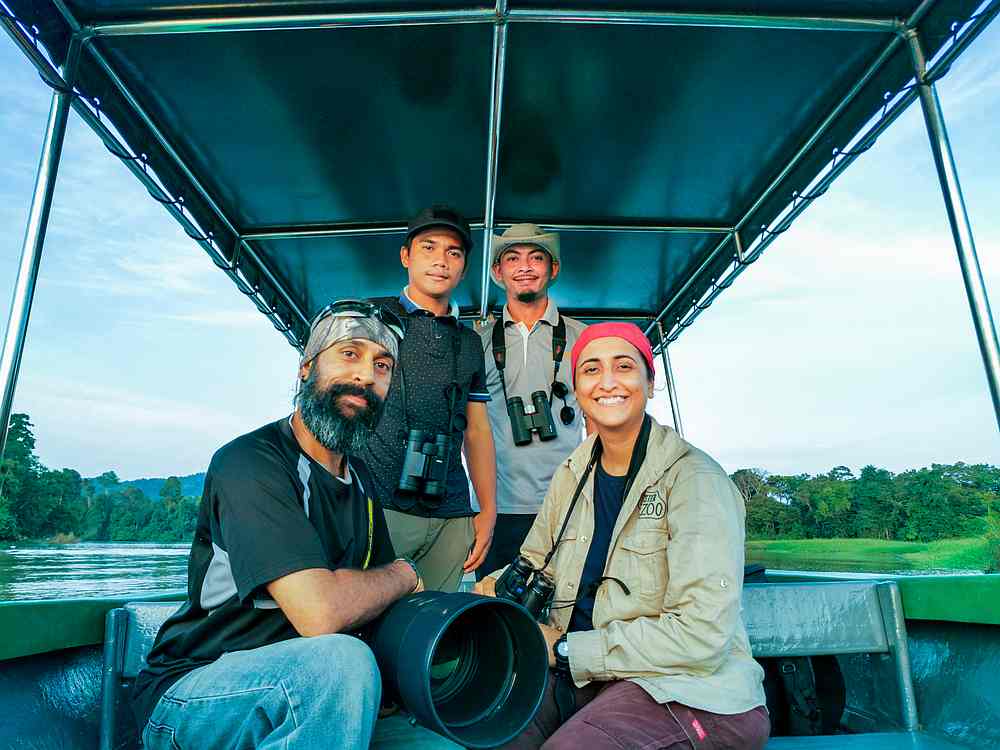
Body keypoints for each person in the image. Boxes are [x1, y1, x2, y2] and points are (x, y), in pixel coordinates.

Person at [131, 300, 458, 750]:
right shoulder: (250, 463)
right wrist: (405, 573)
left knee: (445, 744)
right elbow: (321, 614)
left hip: (314, 690)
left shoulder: (362, 482)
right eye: (349, 354)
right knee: (339, 661)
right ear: (306, 368)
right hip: (194, 691)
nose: (365, 375)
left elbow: (381, 604)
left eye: (382, 365)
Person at [477, 322, 769, 749]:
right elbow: (534, 561)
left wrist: (562, 649)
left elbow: (701, 633)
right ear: (577, 392)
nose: (608, 382)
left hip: (689, 689)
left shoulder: (696, 480)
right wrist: (484, 595)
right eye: (591, 369)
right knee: (486, 731)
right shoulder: (572, 474)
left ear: (651, 384)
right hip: (587, 679)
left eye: (625, 366)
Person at [363, 205, 497, 591]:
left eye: (453, 253)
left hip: (452, 513)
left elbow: (477, 431)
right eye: (429, 248)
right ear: (406, 256)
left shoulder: (470, 341)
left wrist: (486, 510)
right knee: (370, 628)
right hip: (378, 505)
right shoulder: (371, 316)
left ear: (464, 267)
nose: (441, 261)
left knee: (436, 633)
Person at [476, 223, 586, 581]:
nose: (524, 266)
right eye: (513, 258)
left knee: (566, 614)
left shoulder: (582, 337)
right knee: (497, 618)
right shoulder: (476, 343)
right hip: (496, 511)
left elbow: (601, 423)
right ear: (498, 271)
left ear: (553, 269)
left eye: (536, 258)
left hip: (568, 506)